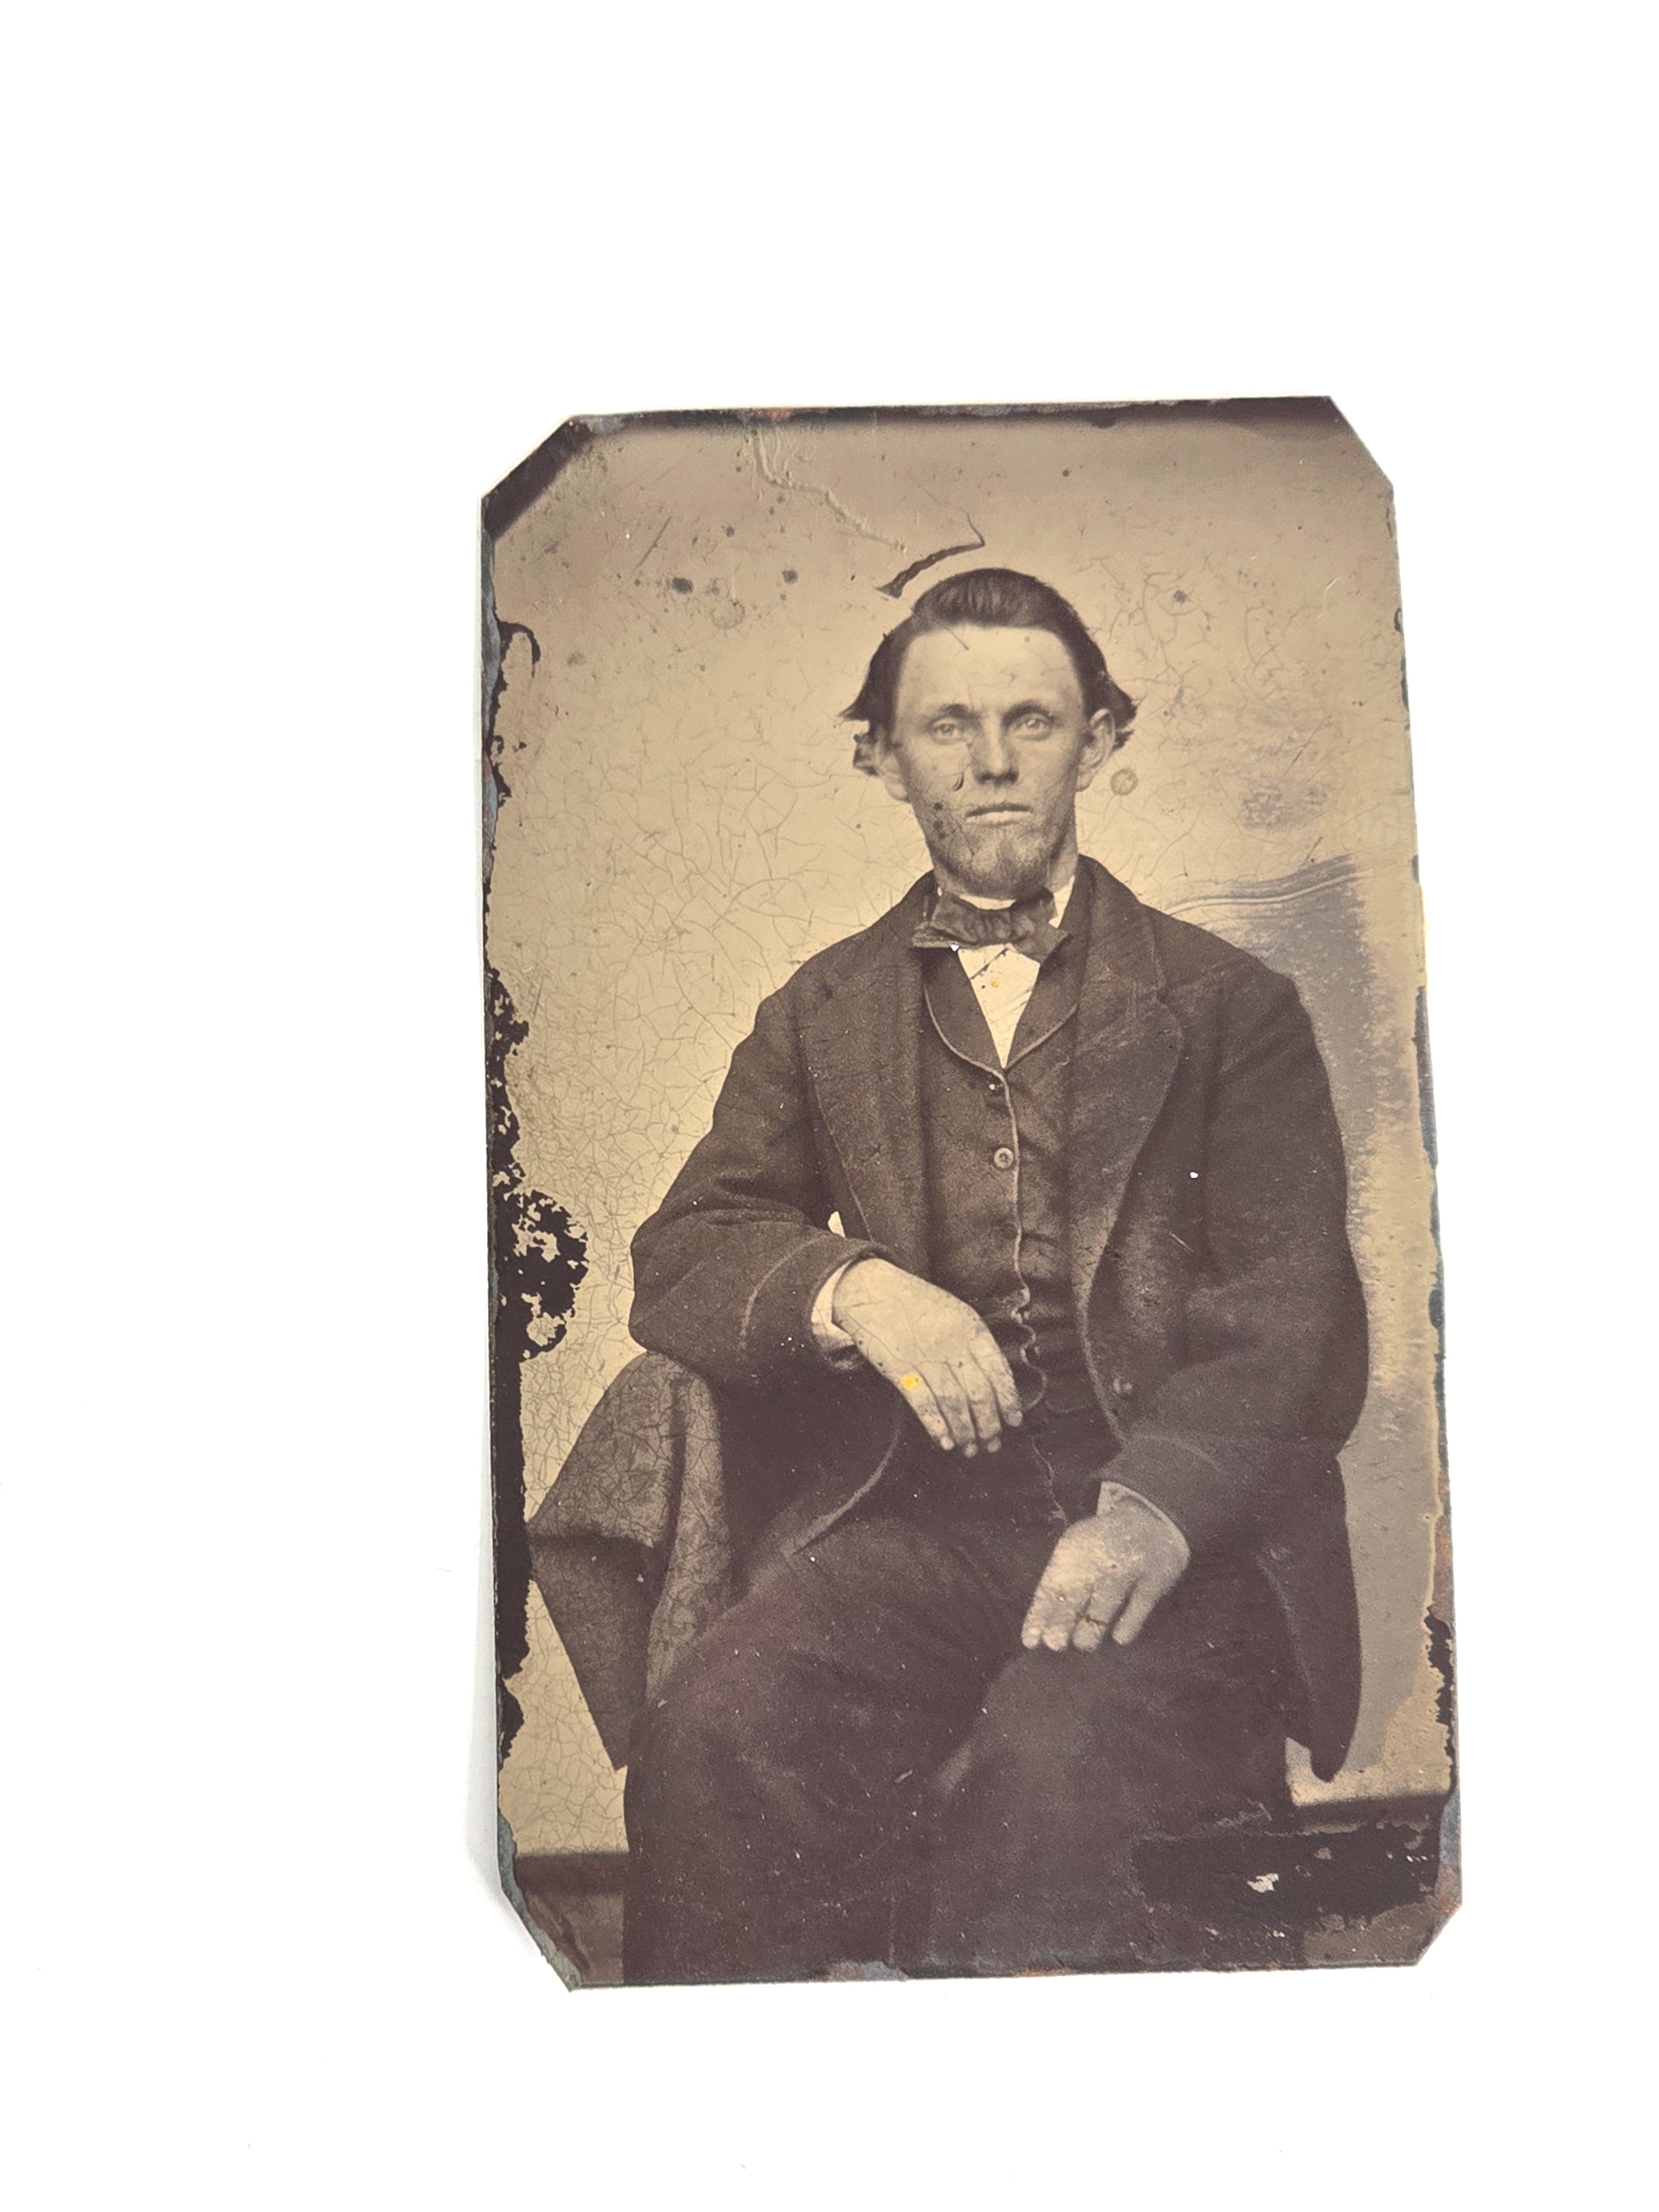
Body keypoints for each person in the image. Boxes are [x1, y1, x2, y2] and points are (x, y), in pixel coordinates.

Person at [620, 567, 1369, 1983]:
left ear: (1100, 737)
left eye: (1033, 719)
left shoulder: (1233, 1008)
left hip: (1181, 1538)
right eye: (947, 725)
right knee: (716, 1727)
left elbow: (1293, 1318)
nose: (994, 759)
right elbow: (687, 1248)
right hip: (929, 1525)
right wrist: (857, 1288)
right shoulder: (821, 1010)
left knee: (1053, 1761)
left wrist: (1151, 1510)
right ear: (882, 756)